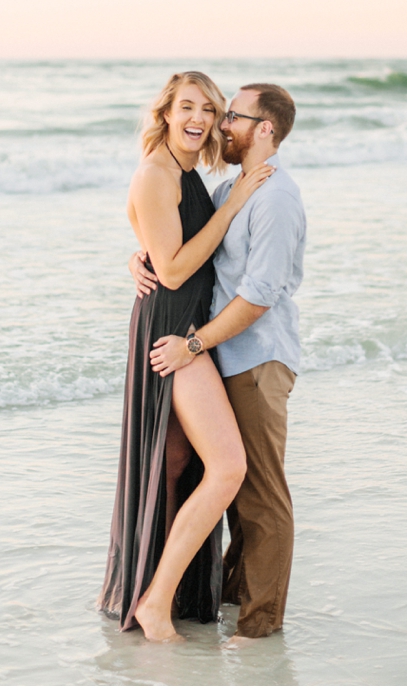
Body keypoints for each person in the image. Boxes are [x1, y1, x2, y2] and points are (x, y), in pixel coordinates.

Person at [97, 71, 274, 643]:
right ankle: (153, 602)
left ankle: (155, 593)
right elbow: (171, 269)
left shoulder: (185, 171)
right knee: (226, 467)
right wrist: (237, 202)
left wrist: (137, 253)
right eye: (187, 107)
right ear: (166, 114)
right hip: (173, 335)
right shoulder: (155, 171)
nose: (198, 118)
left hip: (183, 326)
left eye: (210, 109)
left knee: (174, 468)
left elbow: (160, 245)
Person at [132, 82, 306, 646]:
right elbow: (178, 252)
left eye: (227, 113)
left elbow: (256, 295)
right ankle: (193, 601)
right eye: (205, 109)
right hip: (202, 345)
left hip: (244, 354)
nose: (216, 123)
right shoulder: (227, 186)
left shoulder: (272, 195)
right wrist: (142, 256)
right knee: (200, 473)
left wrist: (195, 344)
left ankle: (255, 628)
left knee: (254, 491)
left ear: (265, 129)